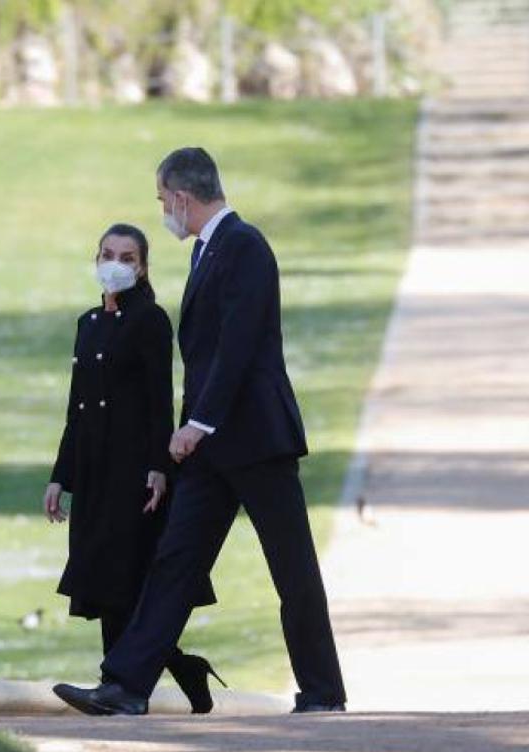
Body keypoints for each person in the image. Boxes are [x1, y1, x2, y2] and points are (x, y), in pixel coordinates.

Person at [53, 149, 346, 716]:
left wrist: (195, 424)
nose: (165, 210)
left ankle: (322, 692)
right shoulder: (208, 253)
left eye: (164, 201)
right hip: (213, 451)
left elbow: (237, 348)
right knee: (175, 562)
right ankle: (126, 687)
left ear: (183, 198)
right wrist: (199, 431)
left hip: (257, 440)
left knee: (292, 568)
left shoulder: (245, 247)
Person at [44, 222, 224, 714]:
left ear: (143, 266)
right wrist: (61, 475)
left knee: (124, 578)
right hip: (93, 471)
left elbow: (159, 403)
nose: (116, 264)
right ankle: (177, 668)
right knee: (103, 579)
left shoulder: (150, 320)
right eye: (108, 254)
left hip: (135, 472)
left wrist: (159, 467)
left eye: (128, 257)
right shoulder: (87, 323)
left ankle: (117, 687)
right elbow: (76, 408)